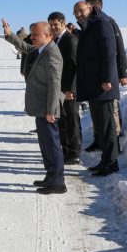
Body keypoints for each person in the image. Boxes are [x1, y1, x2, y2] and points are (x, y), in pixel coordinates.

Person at [2, 18, 65, 194]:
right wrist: (10, 35)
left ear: (47, 35)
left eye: (35, 35)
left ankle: (58, 183)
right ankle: (50, 176)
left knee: (52, 145)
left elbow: (55, 84)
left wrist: (51, 110)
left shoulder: (52, 53)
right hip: (41, 107)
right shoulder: (41, 49)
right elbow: (27, 48)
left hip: (47, 108)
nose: (32, 38)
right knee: (45, 144)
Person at [73, 0, 120, 176]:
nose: (78, 14)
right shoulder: (89, 25)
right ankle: (105, 160)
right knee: (100, 126)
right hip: (94, 85)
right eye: (75, 12)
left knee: (107, 126)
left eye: (80, 10)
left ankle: (111, 162)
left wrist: (107, 78)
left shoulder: (101, 24)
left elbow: (109, 52)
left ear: (90, 8)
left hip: (103, 85)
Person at [83, 0, 127, 149]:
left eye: (89, 7)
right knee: (97, 112)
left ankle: (114, 143)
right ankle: (99, 139)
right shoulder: (90, 23)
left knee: (112, 111)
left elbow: (119, 49)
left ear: (97, 7)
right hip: (97, 76)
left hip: (110, 73)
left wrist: (123, 73)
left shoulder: (108, 22)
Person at [48, 12, 81, 166]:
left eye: (56, 24)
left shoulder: (70, 40)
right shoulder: (56, 40)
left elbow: (75, 67)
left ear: (63, 23)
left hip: (69, 90)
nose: (53, 27)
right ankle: (66, 149)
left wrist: (70, 90)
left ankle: (74, 153)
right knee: (63, 121)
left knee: (72, 120)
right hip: (59, 89)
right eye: (51, 24)